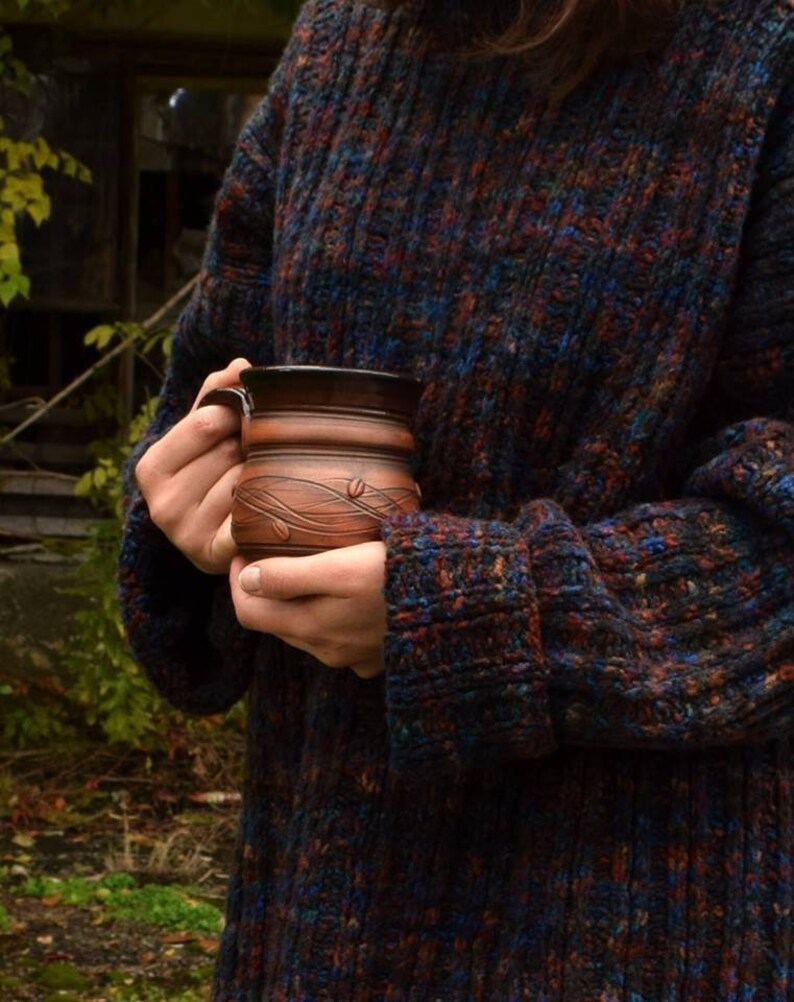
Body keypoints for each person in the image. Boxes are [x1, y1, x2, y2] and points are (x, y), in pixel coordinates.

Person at [118, 0, 793, 997]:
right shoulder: (337, 43)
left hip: (647, 925)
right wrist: (195, 515)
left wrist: (475, 616)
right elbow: (215, 386)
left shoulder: (760, 54)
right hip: (322, 911)